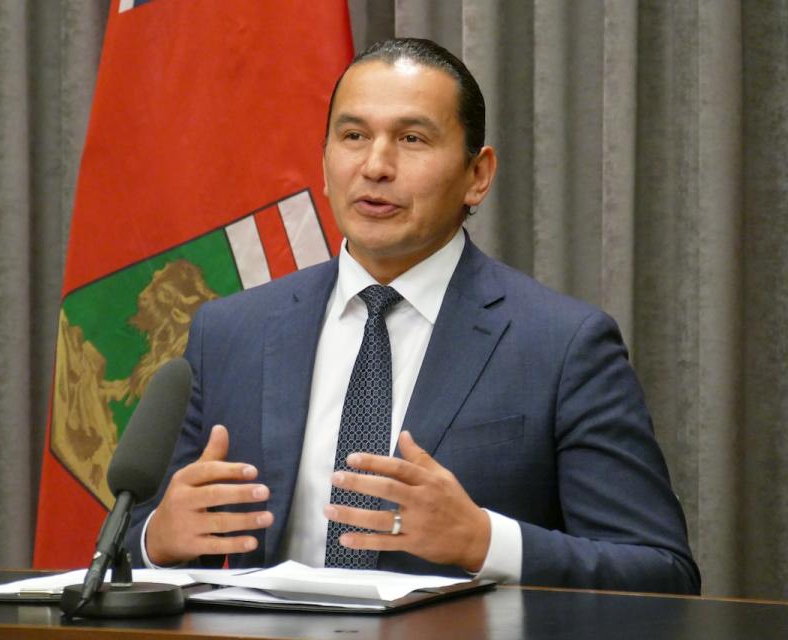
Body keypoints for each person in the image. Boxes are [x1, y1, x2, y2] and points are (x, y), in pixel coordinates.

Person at [123, 38, 701, 594]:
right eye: (353, 136)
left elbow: (662, 572)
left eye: (412, 139)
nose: (375, 165)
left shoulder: (562, 345)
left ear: (478, 175)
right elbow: (122, 548)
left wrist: (485, 542)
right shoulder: (231, 333)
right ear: (324, 165)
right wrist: (157, 539)